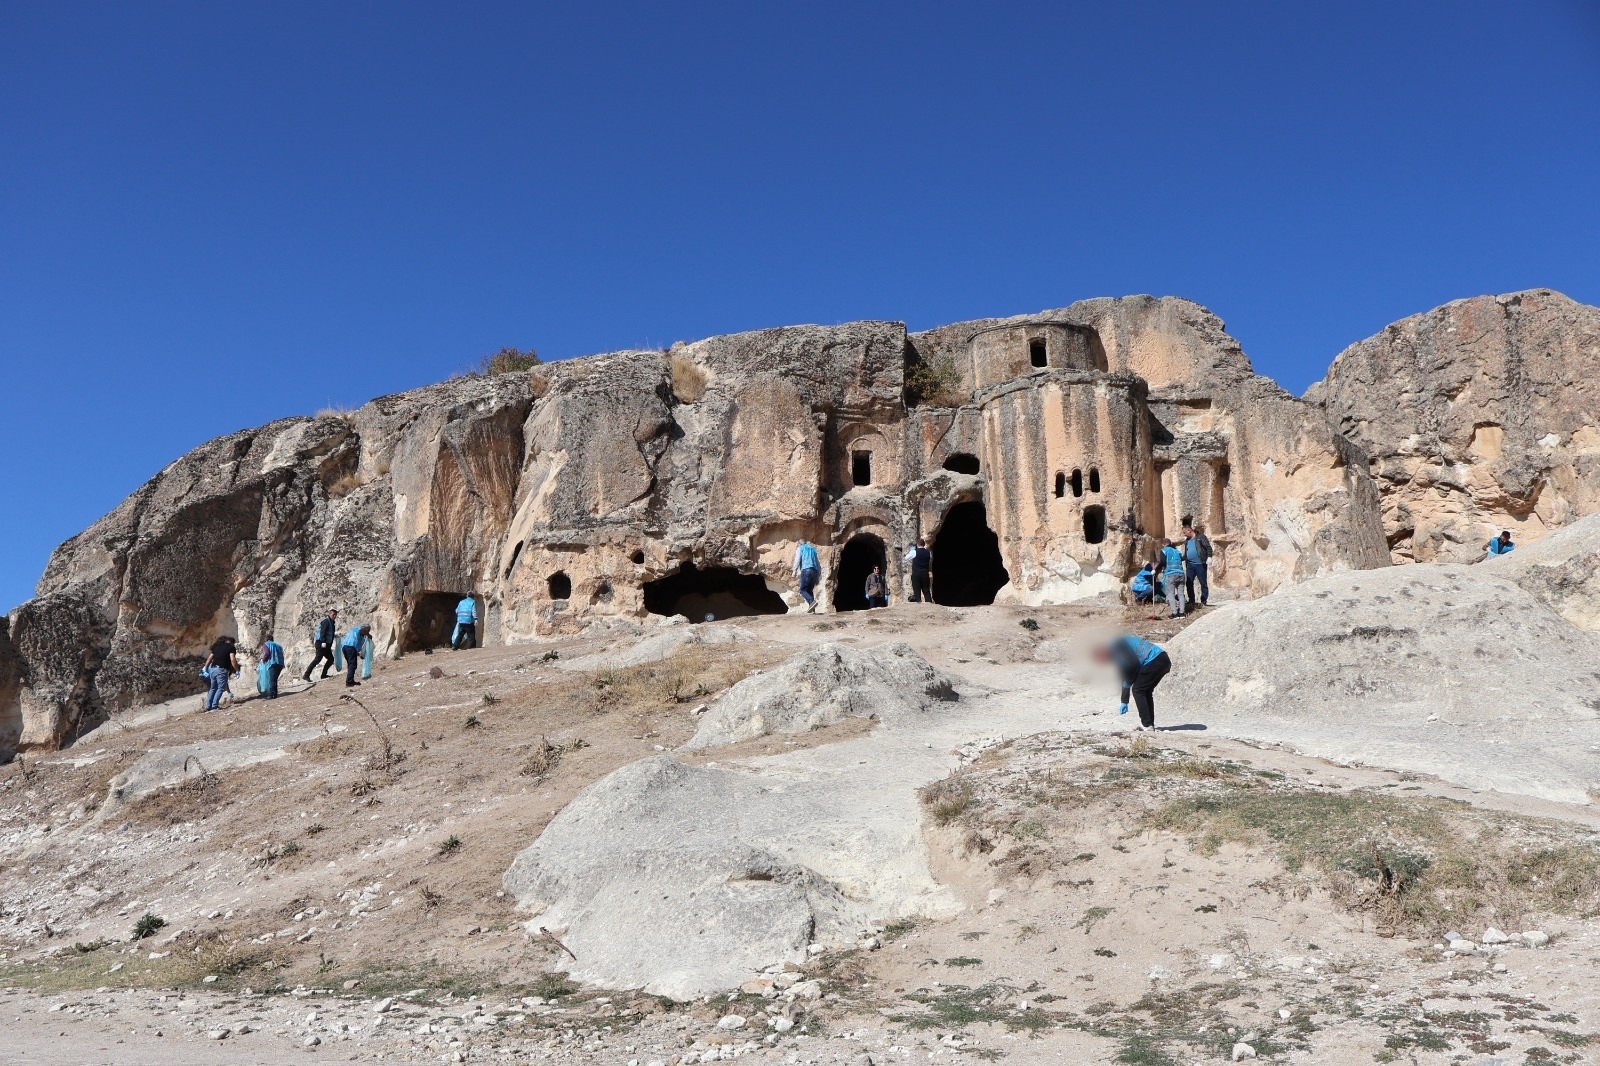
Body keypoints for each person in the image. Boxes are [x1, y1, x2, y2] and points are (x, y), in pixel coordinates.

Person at [1094, 633, 1172, 732]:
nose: (1103, 663)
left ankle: (1147, 724)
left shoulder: (1118, 645)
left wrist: (1130, 681)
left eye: (1101, 660)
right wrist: (1124, 701)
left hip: (1156, 660)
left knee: (1138, 690)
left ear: (1102, 652)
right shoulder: (1115, 656)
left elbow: (1133, 665)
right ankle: (1149, 724)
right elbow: (1125, 676)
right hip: (1161, 660)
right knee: (1145, 691)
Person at [201, 635, 239, 711]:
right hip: (222, 669)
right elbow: (232, 659)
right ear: (232, 643)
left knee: (212, 688)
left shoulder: (217, 647)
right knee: (220, 688)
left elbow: (209, 658)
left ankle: (208, 706)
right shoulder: (231, 648)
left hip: (213, 669)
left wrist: (205, 668)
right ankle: (214, 706)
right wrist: (237, 670)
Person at [1182, 523, 1213, 607]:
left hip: (1200, 564)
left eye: (1185, 532)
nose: (1184, 535)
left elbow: (1208, 547)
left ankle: (1203, 600)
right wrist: (1180, 558)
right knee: (1189, 583)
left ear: (1189, 530)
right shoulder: (1187, 541)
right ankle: (1191, 600)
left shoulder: (1200, 537)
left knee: (1203, 583)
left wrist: (1209, 557)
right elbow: (1186, 554)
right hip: (1190, 565)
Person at [303, 609, 339, 682]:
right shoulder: (326, 621)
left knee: (331, 659)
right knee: (317, 659)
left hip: (327, 645)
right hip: (321, 643)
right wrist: (323, 642)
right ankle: (306, 675)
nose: (334, 616)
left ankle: (323, 675)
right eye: (333, 614)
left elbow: (330, 633)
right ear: (329, 614)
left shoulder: (332, 623)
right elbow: (323, 632)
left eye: (335, 615)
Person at [1160, 539, 1187, 618]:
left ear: (1163, 544)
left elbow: (1163, 562)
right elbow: (1182, 558)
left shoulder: (1164, 550)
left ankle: (1174, 613)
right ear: (1170, 543)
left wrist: (1156, 570)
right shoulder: (1177, 551)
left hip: (1170, 574)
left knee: (1171, 594)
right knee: (1181, 594)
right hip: (1181, 574)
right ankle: (1182, 613)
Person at [793, 539, 822, 613]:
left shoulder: (800, 548)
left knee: (802, 590)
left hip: (806, 570)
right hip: (815, 571)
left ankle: (812, 602)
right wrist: (818, 575)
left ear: (799, 544)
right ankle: (812, 610)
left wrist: (794, 571)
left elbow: (797, 560)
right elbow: (818, 563)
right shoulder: (813, 549)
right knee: (809, 590)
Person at [903, 538, 932, 603]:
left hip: (916, 573)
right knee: (926, 591)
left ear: (917, 544)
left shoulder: (914, 552)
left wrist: (911, 551)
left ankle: (918, 603)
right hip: (925, 573)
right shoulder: (929, 552)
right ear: (924, 544)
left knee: (917, 590)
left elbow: (906, 558)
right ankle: (929, 604)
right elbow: (929, 560)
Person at [257, 634, 286, 699]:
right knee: (274, 679)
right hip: (280, 664)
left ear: (266, 639)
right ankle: (274, 694)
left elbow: (266, 653)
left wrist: (263, 660)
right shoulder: (279, 646)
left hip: (273, 663)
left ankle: (270, 695)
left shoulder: (266, 644)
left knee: (271, 680)